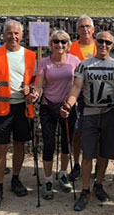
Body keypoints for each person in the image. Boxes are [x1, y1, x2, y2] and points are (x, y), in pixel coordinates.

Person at [62, 31, 114, 211]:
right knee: (87, 153)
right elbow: (77, 87)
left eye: (107, 42)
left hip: (110, 112)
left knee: (105, 152)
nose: (103, 45)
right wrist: (69, 105)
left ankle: (99, 183)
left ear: (112, 45)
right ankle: (85, 189)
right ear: (96, 42)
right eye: (100, 41)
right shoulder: (84, 65)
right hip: (90, 112)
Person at [0, 19, 36, 209]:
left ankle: (15, 178)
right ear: (3, 35)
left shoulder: (30, 56)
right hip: (2, 109)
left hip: (22, 107)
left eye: (16, 33)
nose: (13, 36)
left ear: (22, 35)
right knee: (0, 148)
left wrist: (32, 91)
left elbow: (35, 82)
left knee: (20, 145)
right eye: (9, 33)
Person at [33, 30, 81, 199]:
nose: (59, 45)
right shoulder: (44, 62)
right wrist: (35, 94)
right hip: (49, 106)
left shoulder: (75, 61)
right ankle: (47, 179)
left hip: (67, 107)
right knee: (49, 143)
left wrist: (69, 105)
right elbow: (38, 84)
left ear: (68, 45)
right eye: (56, 42)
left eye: (63, 42)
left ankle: (62, 173)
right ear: (51, 44)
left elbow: (78, 85)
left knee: (66, 142)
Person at [67, 16, 97, 183]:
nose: (85, 29)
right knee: (77, 132)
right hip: (77, 96)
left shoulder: (100, 46)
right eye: (81, 27)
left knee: (98, 132)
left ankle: (97, 164)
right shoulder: (70, 48)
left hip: (96, 96)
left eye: (88, 26)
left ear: (93, 29)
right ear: (77, 30)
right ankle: (77, 164)